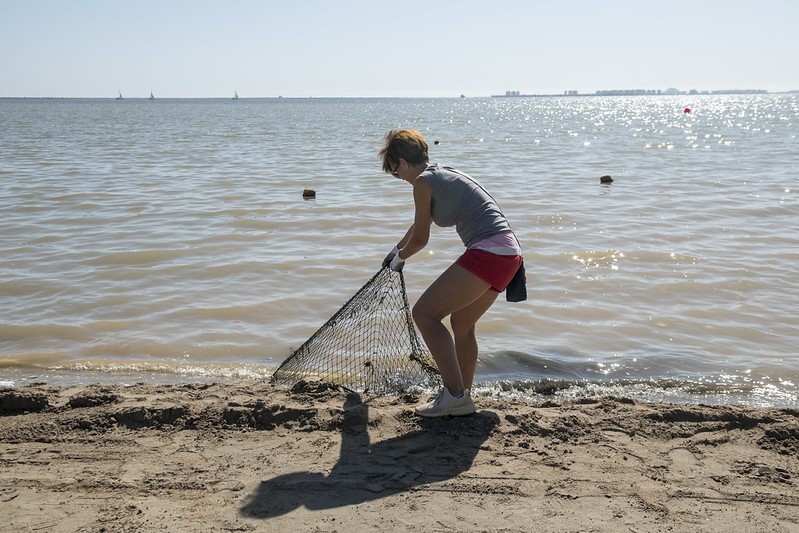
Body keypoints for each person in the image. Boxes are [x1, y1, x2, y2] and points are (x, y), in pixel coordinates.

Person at [378, 129, 523, 417]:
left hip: (489, 252)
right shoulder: (441, 174)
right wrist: (396, 251)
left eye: (396, 173)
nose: (400, 178)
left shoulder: (421, 182)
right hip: (510, 255)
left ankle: (454, 395)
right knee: (461, 323)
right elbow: (421, 224)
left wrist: (401, 259)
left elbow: (420, 240)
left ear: (403, 163)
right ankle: (460, 397)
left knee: (424, 314)